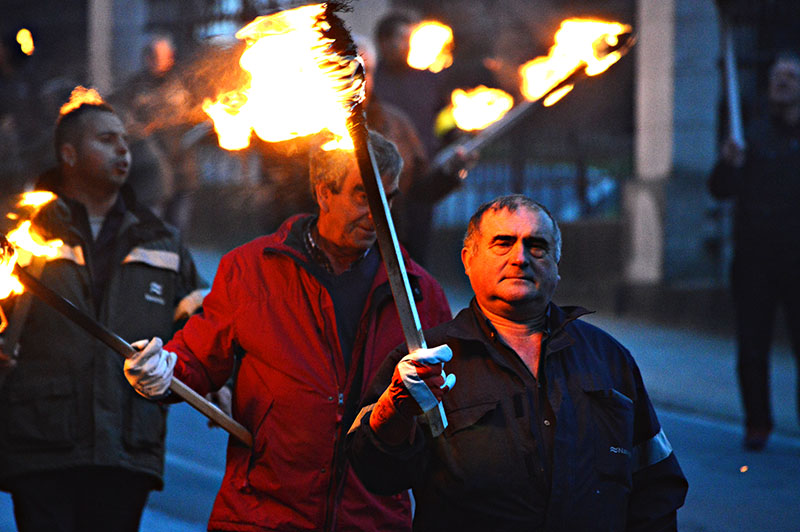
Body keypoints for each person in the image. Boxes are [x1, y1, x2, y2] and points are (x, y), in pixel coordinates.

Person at [123, 130, 453, 531]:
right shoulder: (251, 269)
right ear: (324, 193)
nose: (378, 214)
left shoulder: (419, 294)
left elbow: (445, 422)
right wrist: (161, 370)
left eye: (389, 199)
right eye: (364, 197)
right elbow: (196, 359)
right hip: (263, 515)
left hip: (370, 520)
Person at [347, 194, 688, 531]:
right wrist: (395, 410)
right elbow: (375, 473)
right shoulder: (424, 365)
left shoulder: (608, 359)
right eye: (503, 243)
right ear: (468, 259)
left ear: (556, 266)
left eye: (537, 246)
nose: (520, 258)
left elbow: (656, 486)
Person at [0, 87, 207, 532]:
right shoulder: (22, 234)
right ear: (69, 154)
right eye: (106, 139)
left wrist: (219, 382)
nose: (122, 150)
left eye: (125, 141)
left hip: (125, 450)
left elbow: (204, 335)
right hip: (42, 448)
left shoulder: (161, 239)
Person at [708, 51, 800, 451]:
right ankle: (757, 423)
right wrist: (729, 163)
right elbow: (719, 189)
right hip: (755, 259)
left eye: (791, 76)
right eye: (777, 75)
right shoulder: (748, 135)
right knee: (752, 346)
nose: (782, 81)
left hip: (797, 257)